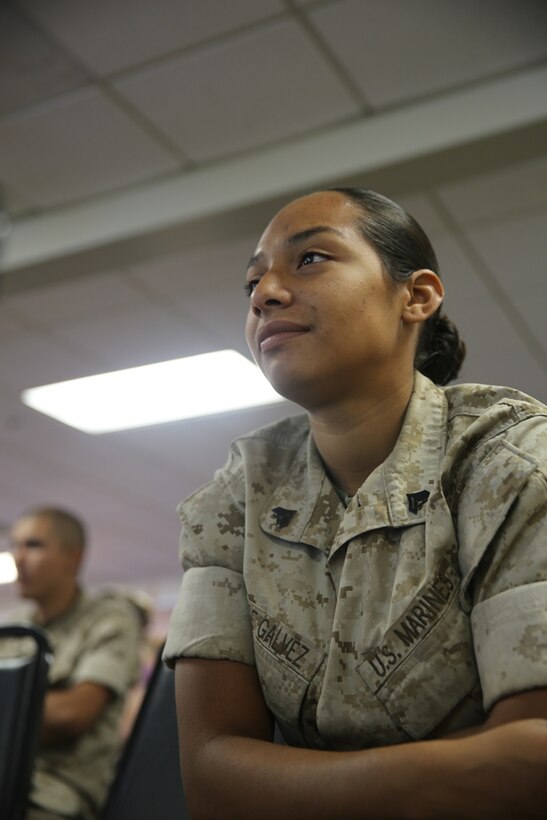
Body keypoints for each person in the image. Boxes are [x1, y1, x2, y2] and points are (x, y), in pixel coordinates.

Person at [163, 186, 547, 819]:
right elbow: (208, 776)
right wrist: (462, 769)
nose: (266, 293)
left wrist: (282, 785)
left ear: (416, 297)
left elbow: (533, 762)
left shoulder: (511, 462)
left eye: (310, 259)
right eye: (253, 282)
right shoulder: (237, 492)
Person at [7, 506, 142, 820]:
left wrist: (10, 717)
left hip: (56, 793)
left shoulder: (110, 620)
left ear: (73, 557)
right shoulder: (14, 629)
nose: (18, 558)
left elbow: (71, 715)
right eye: (15, 545)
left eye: (34, 545)